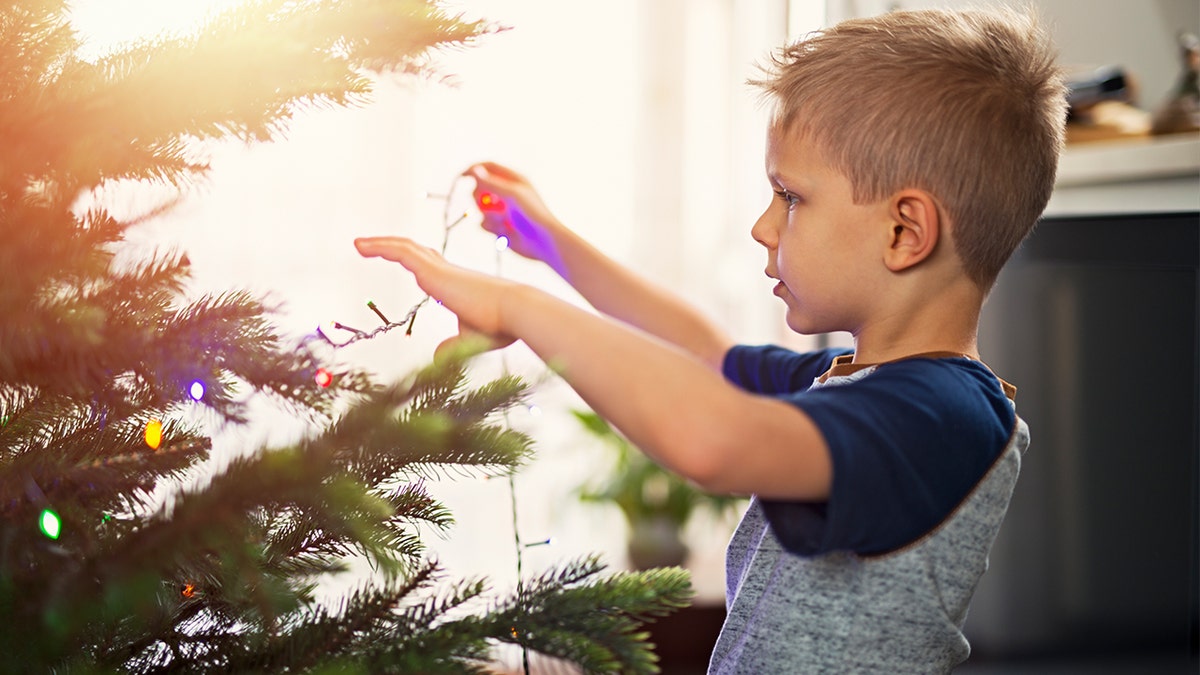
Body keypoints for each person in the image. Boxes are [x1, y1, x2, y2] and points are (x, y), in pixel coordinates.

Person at [355, 6, 1066, 672]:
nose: (764, 225)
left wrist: (519, 306)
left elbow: (711, 441)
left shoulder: (938, 415)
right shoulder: (860, 383)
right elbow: (703, 352)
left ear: (904, 232)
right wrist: (550, 242)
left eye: (790, 197)